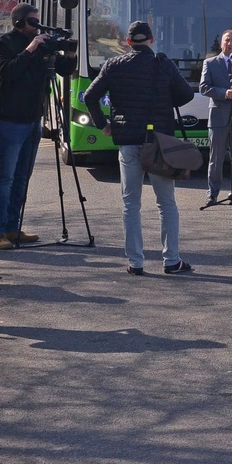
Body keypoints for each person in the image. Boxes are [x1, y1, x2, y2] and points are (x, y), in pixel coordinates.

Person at [83, 21, 195, 275]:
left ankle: (135, 262)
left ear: (128, 42)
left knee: (130, 203)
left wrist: (104, 124)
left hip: (128, 142)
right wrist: (166, 99)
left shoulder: (114, 65)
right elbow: (186, 95)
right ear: (152, 40)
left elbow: (90, 97)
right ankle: (171, 260)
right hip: (159, 144)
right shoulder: (163, 64)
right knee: (166, 203)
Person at [0, 3, 75, 251]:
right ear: (19, 22)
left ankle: (13, 228)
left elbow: (65, 69)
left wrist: (70, 51)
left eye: (38, 21)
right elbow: (7, 73)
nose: (36, 26)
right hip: (9, 120)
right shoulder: (4, 43)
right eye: (32, 22)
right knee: (4, 177)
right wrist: (31, 48)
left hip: (33, 120)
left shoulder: (42, 45)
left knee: (21, 177)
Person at [200, 29, 232, 207]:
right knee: (216, 157)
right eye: (226, 40)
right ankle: (212, 193)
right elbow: (203, 87)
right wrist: (224, 93)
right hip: (218, 116)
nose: (229, 44)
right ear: (221, 43)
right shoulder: (210, 63)